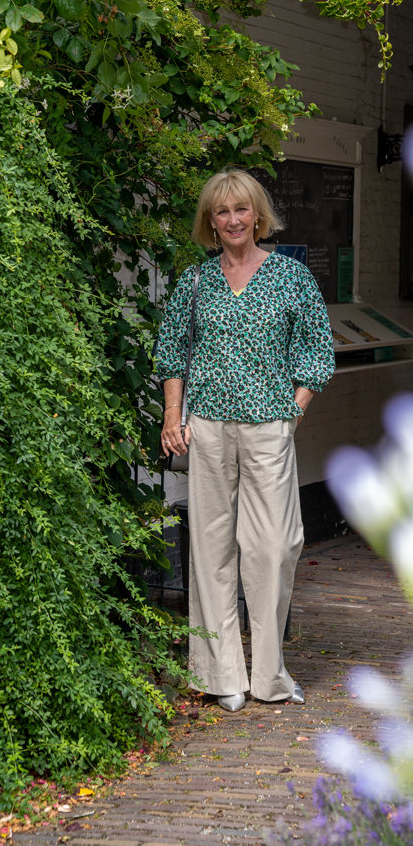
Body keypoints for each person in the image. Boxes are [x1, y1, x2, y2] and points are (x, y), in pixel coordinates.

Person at [154, 169, 334, 712]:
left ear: (257, 215)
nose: (233, 220)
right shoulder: (196, 281)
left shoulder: (290, 277)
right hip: (207, 427)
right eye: (222, 211)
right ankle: (220, 675)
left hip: (268, 428)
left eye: (241, 209)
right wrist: (172, 414)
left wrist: (292, 412)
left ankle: (269, 676)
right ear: (210, 221)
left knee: (275, 546)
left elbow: (317, 351)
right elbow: (171, 352)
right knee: (210, 549)